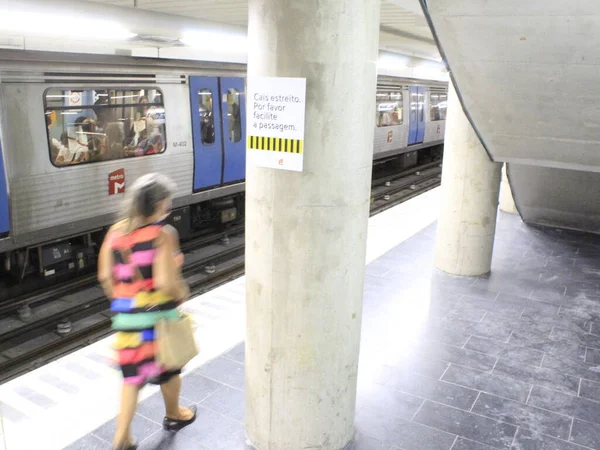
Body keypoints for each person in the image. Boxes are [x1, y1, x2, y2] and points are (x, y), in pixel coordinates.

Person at [97, 173, 196, 450]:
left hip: (126, 317)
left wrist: (125, 300)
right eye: (168, 202)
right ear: (160, 204)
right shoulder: (162, 235)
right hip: (157, 316)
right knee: (169, 368)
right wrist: (182, 291)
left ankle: (122, 438)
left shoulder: (115, 233)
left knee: (132, 378)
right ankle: (174, 413)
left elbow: (105, 276)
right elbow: (166, 282)